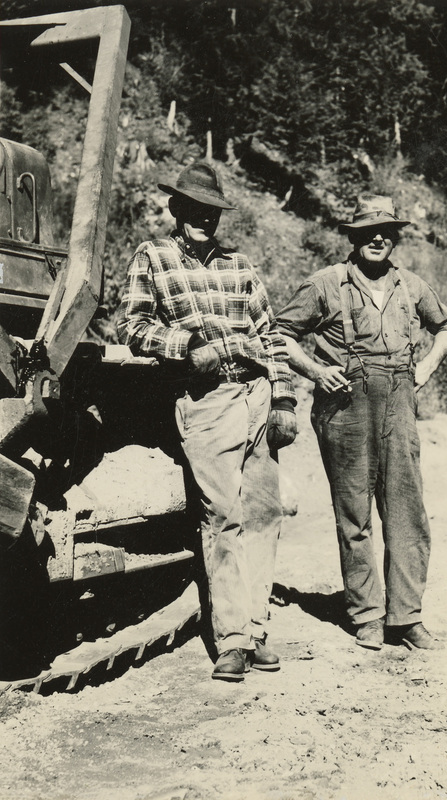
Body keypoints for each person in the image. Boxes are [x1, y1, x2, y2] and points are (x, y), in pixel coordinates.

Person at [117, 162, 297, 681]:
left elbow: (270, 336)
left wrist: (283, 399)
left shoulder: (239, 264)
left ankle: (257, 630)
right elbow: (131, 326)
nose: (205, 221)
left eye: (213, 212)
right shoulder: (153, 257)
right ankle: (233, 639)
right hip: (206, 398)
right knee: (222, 515)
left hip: (256, 392)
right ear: (177, 210)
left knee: (265, 513)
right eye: (195, 210)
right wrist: (186, 345)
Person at [276, 194, 447, 651]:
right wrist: (317, 371)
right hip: (345, 407)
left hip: (399, 401)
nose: (378, 238)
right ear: (353, 237)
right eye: (367, 232)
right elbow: (280, 334)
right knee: (354, 513)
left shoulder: (411, 286)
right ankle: (367, 614)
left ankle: (407, 617)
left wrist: (425, 369)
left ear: (395, 238)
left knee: (406, 512)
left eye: (386, 231)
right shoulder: (325, 283)